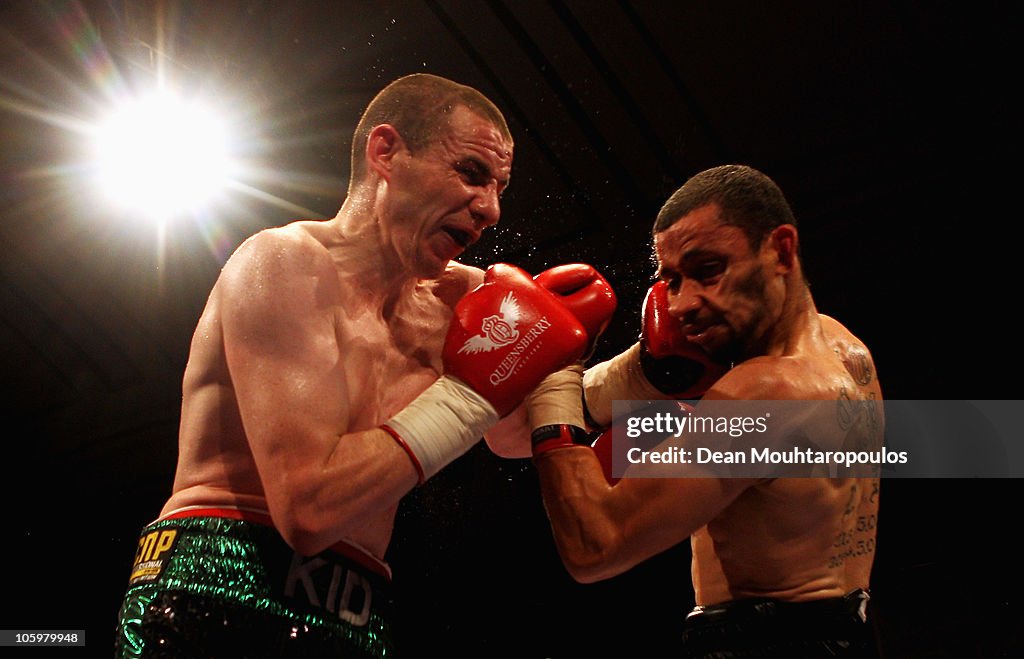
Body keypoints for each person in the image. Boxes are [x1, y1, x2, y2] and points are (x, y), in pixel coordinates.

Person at [113, 73, 596, 658]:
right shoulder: (284, 262)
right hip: (215, 589)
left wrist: (652, 374)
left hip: (359, 610)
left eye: (499, 186)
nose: (490, 208)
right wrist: (470, 394)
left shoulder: (458, 302)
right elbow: (310, 510)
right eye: (471, 173)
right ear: (385, 152)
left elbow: (518, 435)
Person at [524, 165, 884, 657]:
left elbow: (594, 546)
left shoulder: (765, 391)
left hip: (763, 641)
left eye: (708, 270)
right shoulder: (847, 350)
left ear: (780, 251)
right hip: (845, 630)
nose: (680, 304)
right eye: (670, 280)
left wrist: (553, 376)